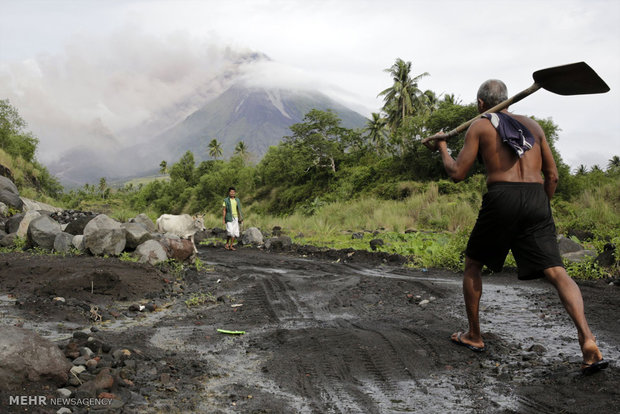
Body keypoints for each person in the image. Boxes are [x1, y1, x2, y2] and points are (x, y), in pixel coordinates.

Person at [424, 79, 608, 375]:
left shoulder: (481, 125)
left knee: (473, 264)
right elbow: (553, 176)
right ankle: (588, 340)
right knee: (557, 271)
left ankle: (474, 335)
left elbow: (457, 173)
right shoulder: (533, 126)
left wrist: (443, 147)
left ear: (481, 104)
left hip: (502, 196)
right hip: (537, 198)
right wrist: (539, 208)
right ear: (508, 101)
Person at [222, 187, 243, 251]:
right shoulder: (226, 200)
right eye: (231, 192)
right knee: (230, 231)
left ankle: (230, 245)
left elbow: (239, 209)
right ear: (229, 192)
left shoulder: (237, 200)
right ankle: (227, 243)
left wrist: (241, 218)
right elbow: (224, 210)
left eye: (233, 192)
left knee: (235, 232)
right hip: (228, 217)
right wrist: (223, 219)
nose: (232, 193)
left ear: (235, 193)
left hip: (236, 217)